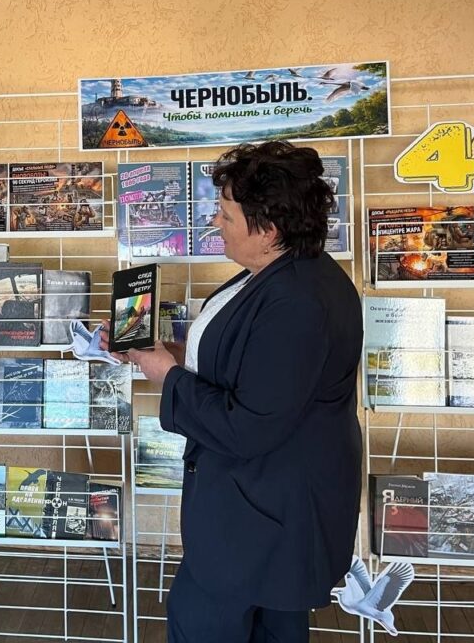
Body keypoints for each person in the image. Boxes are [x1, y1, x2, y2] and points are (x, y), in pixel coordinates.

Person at [110, 141, 363, 643]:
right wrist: (154, 352)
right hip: (261, 509)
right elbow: (245, 364)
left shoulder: (298, 301)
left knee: (206, 623)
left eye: (226, 214)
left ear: (268, 230)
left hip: (263, 516)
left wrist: (166, 374)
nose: (214, 221)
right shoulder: (273, 275)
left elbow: (247, 425)